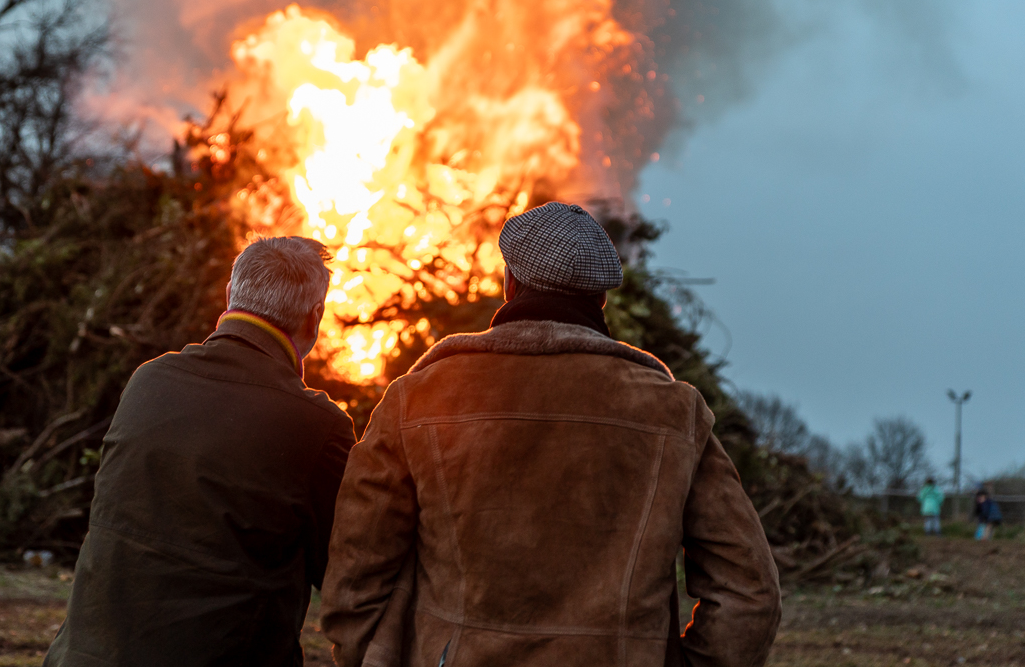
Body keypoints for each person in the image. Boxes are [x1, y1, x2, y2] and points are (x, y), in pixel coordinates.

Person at [321, 202, 782, 667]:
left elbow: (354, 579)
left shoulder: (419, 399)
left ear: (510, 283)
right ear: (600, 299)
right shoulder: (674, 413)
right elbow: (749, 591)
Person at [45, 237, 356, 667]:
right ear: (315, 317)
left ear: (229, 297)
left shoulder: (148, 381)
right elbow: (347, 572)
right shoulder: (318, 426)